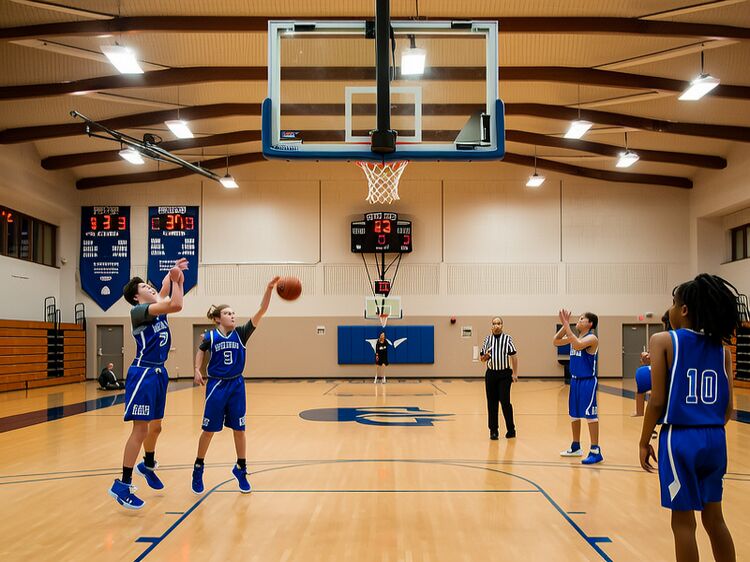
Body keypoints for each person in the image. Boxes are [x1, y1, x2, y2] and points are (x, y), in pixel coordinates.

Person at [639, 274, 739, 562]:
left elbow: (657, 400)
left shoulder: (662, 340)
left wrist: (644, 441)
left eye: (673, 303)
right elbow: (728, 410)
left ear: (683, 310)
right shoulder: (722, 350)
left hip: (680, 439)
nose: (670, 309)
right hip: (715, 438)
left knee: (683, 524)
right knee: (715, 520)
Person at [108, 258, 187, 510]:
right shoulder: (140, 311)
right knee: (140, 430)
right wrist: (177, 281)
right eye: (144, 287)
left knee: (156, 428)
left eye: (149, 285)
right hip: (143, 373)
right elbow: (176, 304)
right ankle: (123, 485)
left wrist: (174, 273)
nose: (150, 288)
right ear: (136, 297)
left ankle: (148, 465)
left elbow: (164, 286)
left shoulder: (156, 304)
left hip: (158, 373)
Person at [191, 277, 279, 495]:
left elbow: (262, 309)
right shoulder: (211, 336)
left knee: (239, 429)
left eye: (233, 313)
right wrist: (197, 369)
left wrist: (269, 289)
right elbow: (201, 350)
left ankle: (241, 468)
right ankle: (198, 468)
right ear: (218, 319)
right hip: (216, 385)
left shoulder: (242, 333)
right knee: (209, 431)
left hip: (237, 385)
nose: (232, 315)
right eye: (228, 313)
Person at [553, 310, 603, 464]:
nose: (579, 320)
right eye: (579, 318)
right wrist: (564, 325)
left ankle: (595, 450)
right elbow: (556, 341)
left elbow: (577, 345)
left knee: (590, 415)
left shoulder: (592, 338)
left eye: (582, 319)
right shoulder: (575, 337)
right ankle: (576, 447)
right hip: (574, 381)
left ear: (590, 324)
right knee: (574, 414)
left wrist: (568, 327)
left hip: (587, 381)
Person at [479, 317, 518, 440]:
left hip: (504, 375)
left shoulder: (507, 339)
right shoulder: (487, 340)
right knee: (492, 403)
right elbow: (482, 359)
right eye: (494, 323)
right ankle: (493, 431)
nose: (496, 325)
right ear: (491, 326)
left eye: (499, 323)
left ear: (502, 325)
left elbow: (514, 356)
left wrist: (515, 373)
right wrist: (485, 357)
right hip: (491, 374)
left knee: (505, 402)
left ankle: (511, 429)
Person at [633, 311, 671, 417]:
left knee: (643, 375)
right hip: (661, 369)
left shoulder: (664, 339)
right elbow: (652, 358)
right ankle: (640, 411)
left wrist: (650, 359)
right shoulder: (662, 338)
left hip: (668, 371)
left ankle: (649, 411)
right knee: (642, 375)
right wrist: (646, 357)